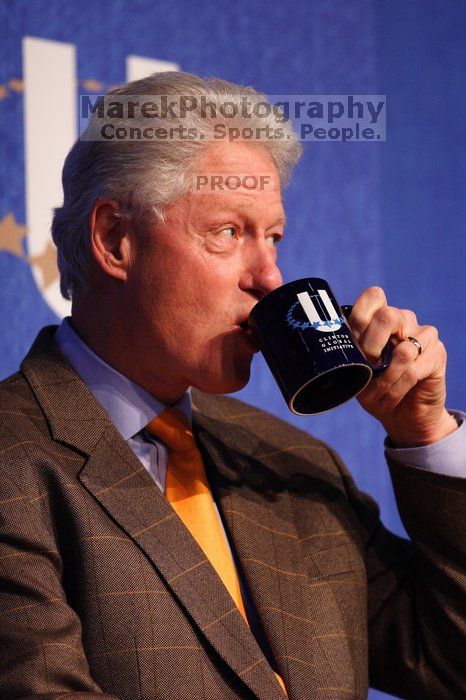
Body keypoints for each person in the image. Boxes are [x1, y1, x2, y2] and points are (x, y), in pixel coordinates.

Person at [0, 72, 464, 700]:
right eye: (228, 232)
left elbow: (448, 662)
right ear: (115, 240)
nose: (271, 278)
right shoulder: (12, 455)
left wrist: (426, 437)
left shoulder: (293, 461)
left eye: (273, 236)